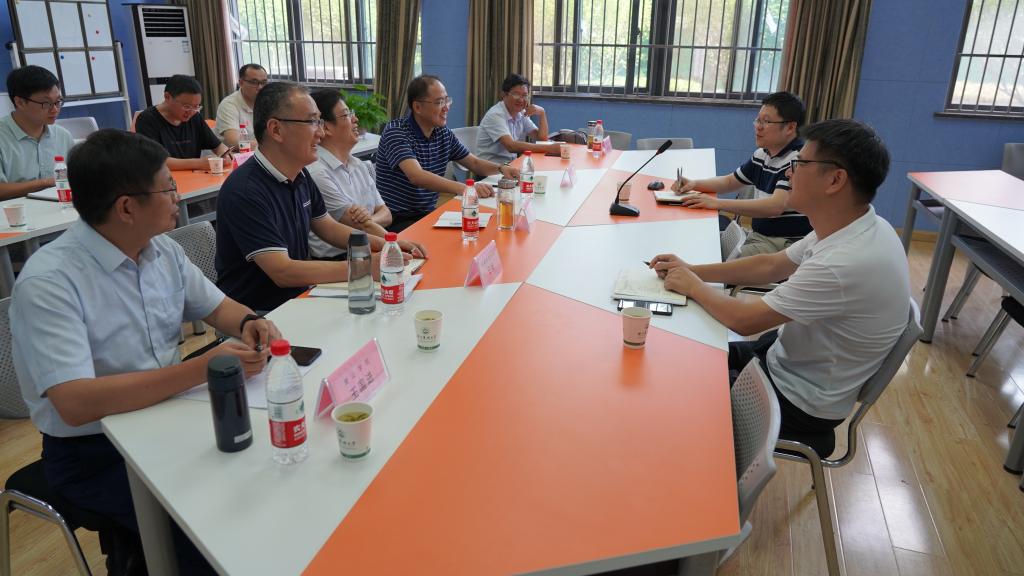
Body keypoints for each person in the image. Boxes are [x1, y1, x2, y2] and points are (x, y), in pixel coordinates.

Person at [10, 129, 279, 574]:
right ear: (126, 208)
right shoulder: (50, 282)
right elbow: (75, 403)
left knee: (264, 475)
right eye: (168, 188)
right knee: (214, 527)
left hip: (167, 416)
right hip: (93, 452)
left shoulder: (161, 251)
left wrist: (250, 322)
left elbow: (217, 308)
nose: (177, 197)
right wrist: (202, 369)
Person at [650, 119, 910, 457]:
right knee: (681, 355)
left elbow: (745, 320)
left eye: (800, 164)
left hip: (798, 400)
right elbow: (771, 265)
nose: (789, 173)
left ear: (835, 180)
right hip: (785, 360)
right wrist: (691, 271)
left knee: (669, 394)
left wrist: (695, 287)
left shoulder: (844, 261)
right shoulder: (855, 224)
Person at [215, 82, 425, 312]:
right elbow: (282, 272)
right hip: (258, 314)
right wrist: (362, 267)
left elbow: (329, 228)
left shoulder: (300, 175)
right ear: (276, 130)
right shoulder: (245, 191)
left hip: (300, 297)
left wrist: (387, 245)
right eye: (312, 122)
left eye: (320, 122)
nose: (321, 132)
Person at [673, 92, 810, 257]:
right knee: (700, 246)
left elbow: (775, 206)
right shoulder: (763, 154)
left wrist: (717, 203)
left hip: (782, 244)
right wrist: (694, 184)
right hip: (759, 236)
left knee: (710, 259)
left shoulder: (796, 160)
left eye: (766, 121)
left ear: (790, 127)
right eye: (758, 120)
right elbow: (730, 181)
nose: (758, 126)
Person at [376, 74, 520, 232]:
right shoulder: (396, 132)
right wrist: (465, 188)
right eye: (439, 102)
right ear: (417, 107)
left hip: (426, 214)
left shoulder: (442, 132)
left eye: (447, 100)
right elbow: (417, 176)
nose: (446, 107)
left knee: (482, 227)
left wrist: (502, 168)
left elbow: (474, 163)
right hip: (396, 219)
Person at [306, 88, 392, 259]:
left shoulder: (358, 164)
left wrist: (368, 220)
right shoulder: (317, 172)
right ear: (326, 127)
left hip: (369, 245)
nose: (355, 119)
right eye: (346, 115)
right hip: (338, 258)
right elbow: (361, 226)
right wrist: (395, 246)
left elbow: (386, 213)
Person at [0, 65, 74, 200]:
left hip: (58, 209)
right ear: (20, 102)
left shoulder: (63, 136)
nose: (55, 110)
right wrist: (45, 183)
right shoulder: (3, 136)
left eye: (58, 102)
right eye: (46, 103)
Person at [135, 74, 232, 171]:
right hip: (165, 177)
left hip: (194, 176)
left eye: (196, 107)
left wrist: (225, 155)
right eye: (186, 106)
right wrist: (199, 163)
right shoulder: (147, 120)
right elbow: (156, 161)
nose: (191, 111)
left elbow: (217, 146)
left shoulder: (194, 117)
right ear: (167, 97)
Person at [475, 73, 560, 164]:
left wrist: (542, 113)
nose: (521, 100)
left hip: (510, 165)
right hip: (490, 168)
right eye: (516, 94)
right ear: (504, 95)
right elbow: (511, 146)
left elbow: (541, 139)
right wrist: (549, 148)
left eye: (524, 95)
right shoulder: (495, 114)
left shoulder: (521, 113)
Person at [215, 63, 268, 148]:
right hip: (235, 154)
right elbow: (234, 143)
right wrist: (267, 144)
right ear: (241, 83)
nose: (260, 87)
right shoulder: (229, 105)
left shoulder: (268, 101)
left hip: (260, 151)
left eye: (263, 82)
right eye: (254, 82)